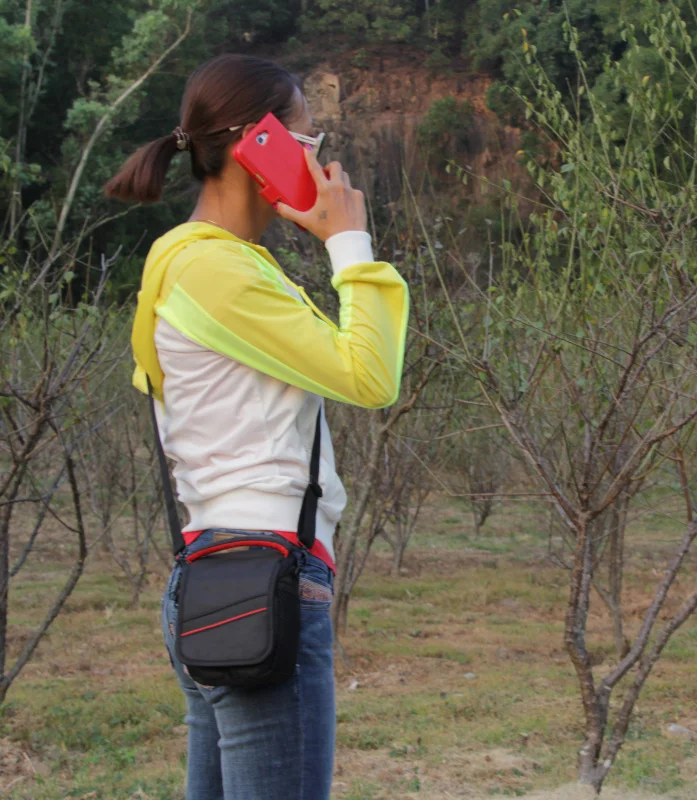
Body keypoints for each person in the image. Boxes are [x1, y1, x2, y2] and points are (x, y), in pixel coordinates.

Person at [104, 54, 409, 800]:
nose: (318, 157)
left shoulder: (200, 262)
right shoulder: (214, 271)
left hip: (221, 571)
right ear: (257, 143)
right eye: (307, 138)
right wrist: (349, 242)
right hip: (264, 574)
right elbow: (371, 375)